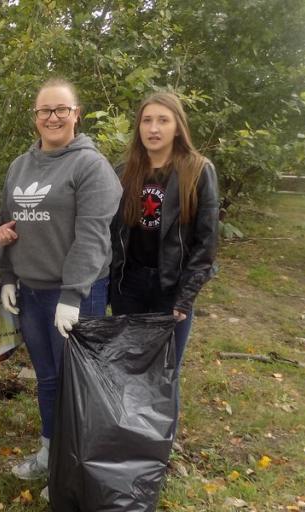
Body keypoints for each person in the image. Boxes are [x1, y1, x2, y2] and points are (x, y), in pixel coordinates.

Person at [0, 78, 122, 499]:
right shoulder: (19, 166)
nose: (52, 117)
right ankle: (51, 451)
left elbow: (92, 237)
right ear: (35, 117)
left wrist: (73, 295)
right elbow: (9, 226)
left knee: (76, 384)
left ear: (76, 114)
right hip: (30, 292)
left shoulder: (90, 166)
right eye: (44, 110)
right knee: (47, 378)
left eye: (61, 110)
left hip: (75, 295)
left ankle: (74, 467)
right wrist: (9, 277)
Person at [109, 91, 219, 367]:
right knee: (128, 364)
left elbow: (206, 243)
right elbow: (110, 232)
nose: (154, 128)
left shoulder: (198, 171)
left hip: (171, 286)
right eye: (146, 120)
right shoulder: (124, 171)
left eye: (163, 120)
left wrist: (185, 297)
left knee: (164, 370)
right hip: (129, 285)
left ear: (178, 126)